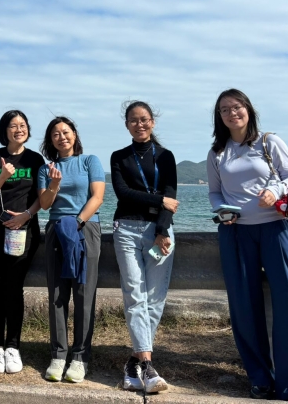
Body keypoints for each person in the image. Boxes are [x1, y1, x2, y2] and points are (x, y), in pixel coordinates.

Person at [208, 88, 288, 403]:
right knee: (244, 309)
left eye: (237, 106)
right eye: (225, 109)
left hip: (276, 229)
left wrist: (276, 189)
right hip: (236, 234)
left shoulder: (269, 142)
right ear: (219, 117)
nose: (232, 113)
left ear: (248, 109)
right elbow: (215, 193)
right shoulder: (217, 152)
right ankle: (260, 379)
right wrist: (222, 211)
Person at [110, 101, 178, 393]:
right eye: (134, 120)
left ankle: (134, 362)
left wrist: (162, 230)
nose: (140, 124)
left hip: (158, 233)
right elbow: (122, 193)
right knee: (135, 294)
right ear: (127, 125)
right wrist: (158, 200)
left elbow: (171, 195)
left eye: (145, 119)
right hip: (126, 228)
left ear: (153, 122)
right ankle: (149, 367)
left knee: (155, 297)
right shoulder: (119, 157)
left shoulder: (166, 156)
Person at [37, 116, 105, 384]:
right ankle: (58, 354)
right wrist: (54, 183)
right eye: (55, 133)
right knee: (57, 292)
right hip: (56, 229)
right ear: (50, 139)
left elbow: (97, 197)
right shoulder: (47, 168)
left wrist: (77, 222)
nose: (61, 137)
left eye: (66, 132)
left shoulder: (90, 161)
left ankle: (80, 357)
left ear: (74, 135)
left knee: (84, 292)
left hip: (85, 227)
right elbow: (44, 204)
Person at [0, 110, 44, 374]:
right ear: (4, 131)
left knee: (14, 287)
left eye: (22, 125)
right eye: (12, 126)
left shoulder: (35, 159)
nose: (18, 129)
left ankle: (13, 346)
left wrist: (26, 216)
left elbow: (43, 197)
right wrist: (3, 176)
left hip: (24, 231)